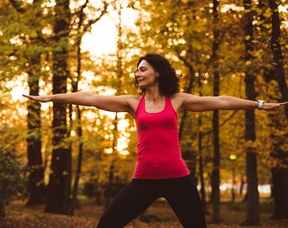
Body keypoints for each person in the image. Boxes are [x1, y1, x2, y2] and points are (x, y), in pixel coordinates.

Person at [23, 53, 287, 228]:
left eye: (142, 69)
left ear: (157, 72)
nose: (137, 74)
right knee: (106, 225)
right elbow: (90, 98)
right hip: (144, 180)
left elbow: (220, 101)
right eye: (136, 71)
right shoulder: (131, 103)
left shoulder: (178, 100)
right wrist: (52, 97)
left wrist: (260, 104)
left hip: (177, 179)